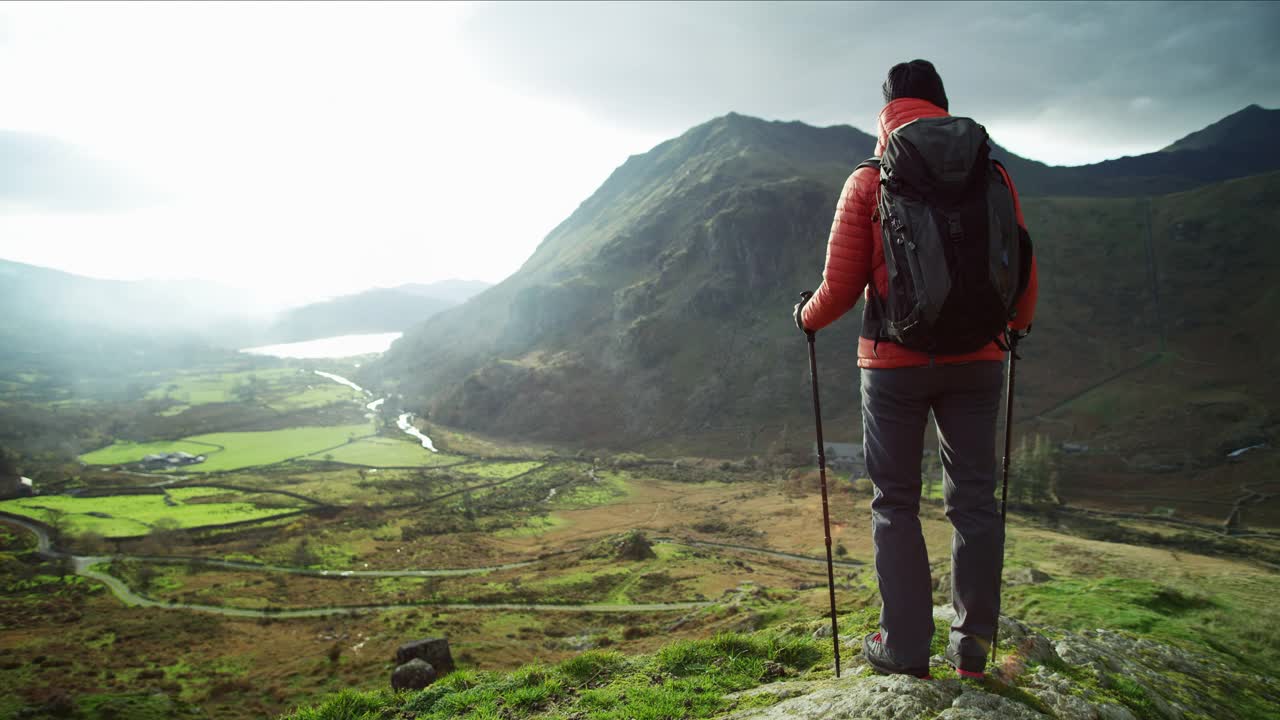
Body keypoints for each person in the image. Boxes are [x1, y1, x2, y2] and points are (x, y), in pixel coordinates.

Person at [793, 59, 1038, 679]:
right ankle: (972, 646)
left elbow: (839, 289)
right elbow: (1022, 264)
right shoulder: (995, 176)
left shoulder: (870, 181)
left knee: (895, 501)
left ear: (887, 109)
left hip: (894, 366)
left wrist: (806, 319)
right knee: (975, 500)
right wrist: (1015, 328)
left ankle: (903, 648)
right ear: (942, 106)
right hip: (981, 361)